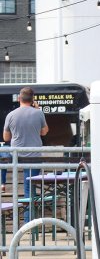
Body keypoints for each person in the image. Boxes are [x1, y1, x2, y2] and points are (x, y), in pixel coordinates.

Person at [3, 87, 48, 221]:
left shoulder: (11, 115)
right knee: (29, 189)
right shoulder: (38, 113)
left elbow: (5, 138)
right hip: (34, 156)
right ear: (32, 99)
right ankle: (29, 222)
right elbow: (44, 132)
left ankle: (2, 183)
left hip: (16, 156)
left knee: (3, 157)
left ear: (19, 99)